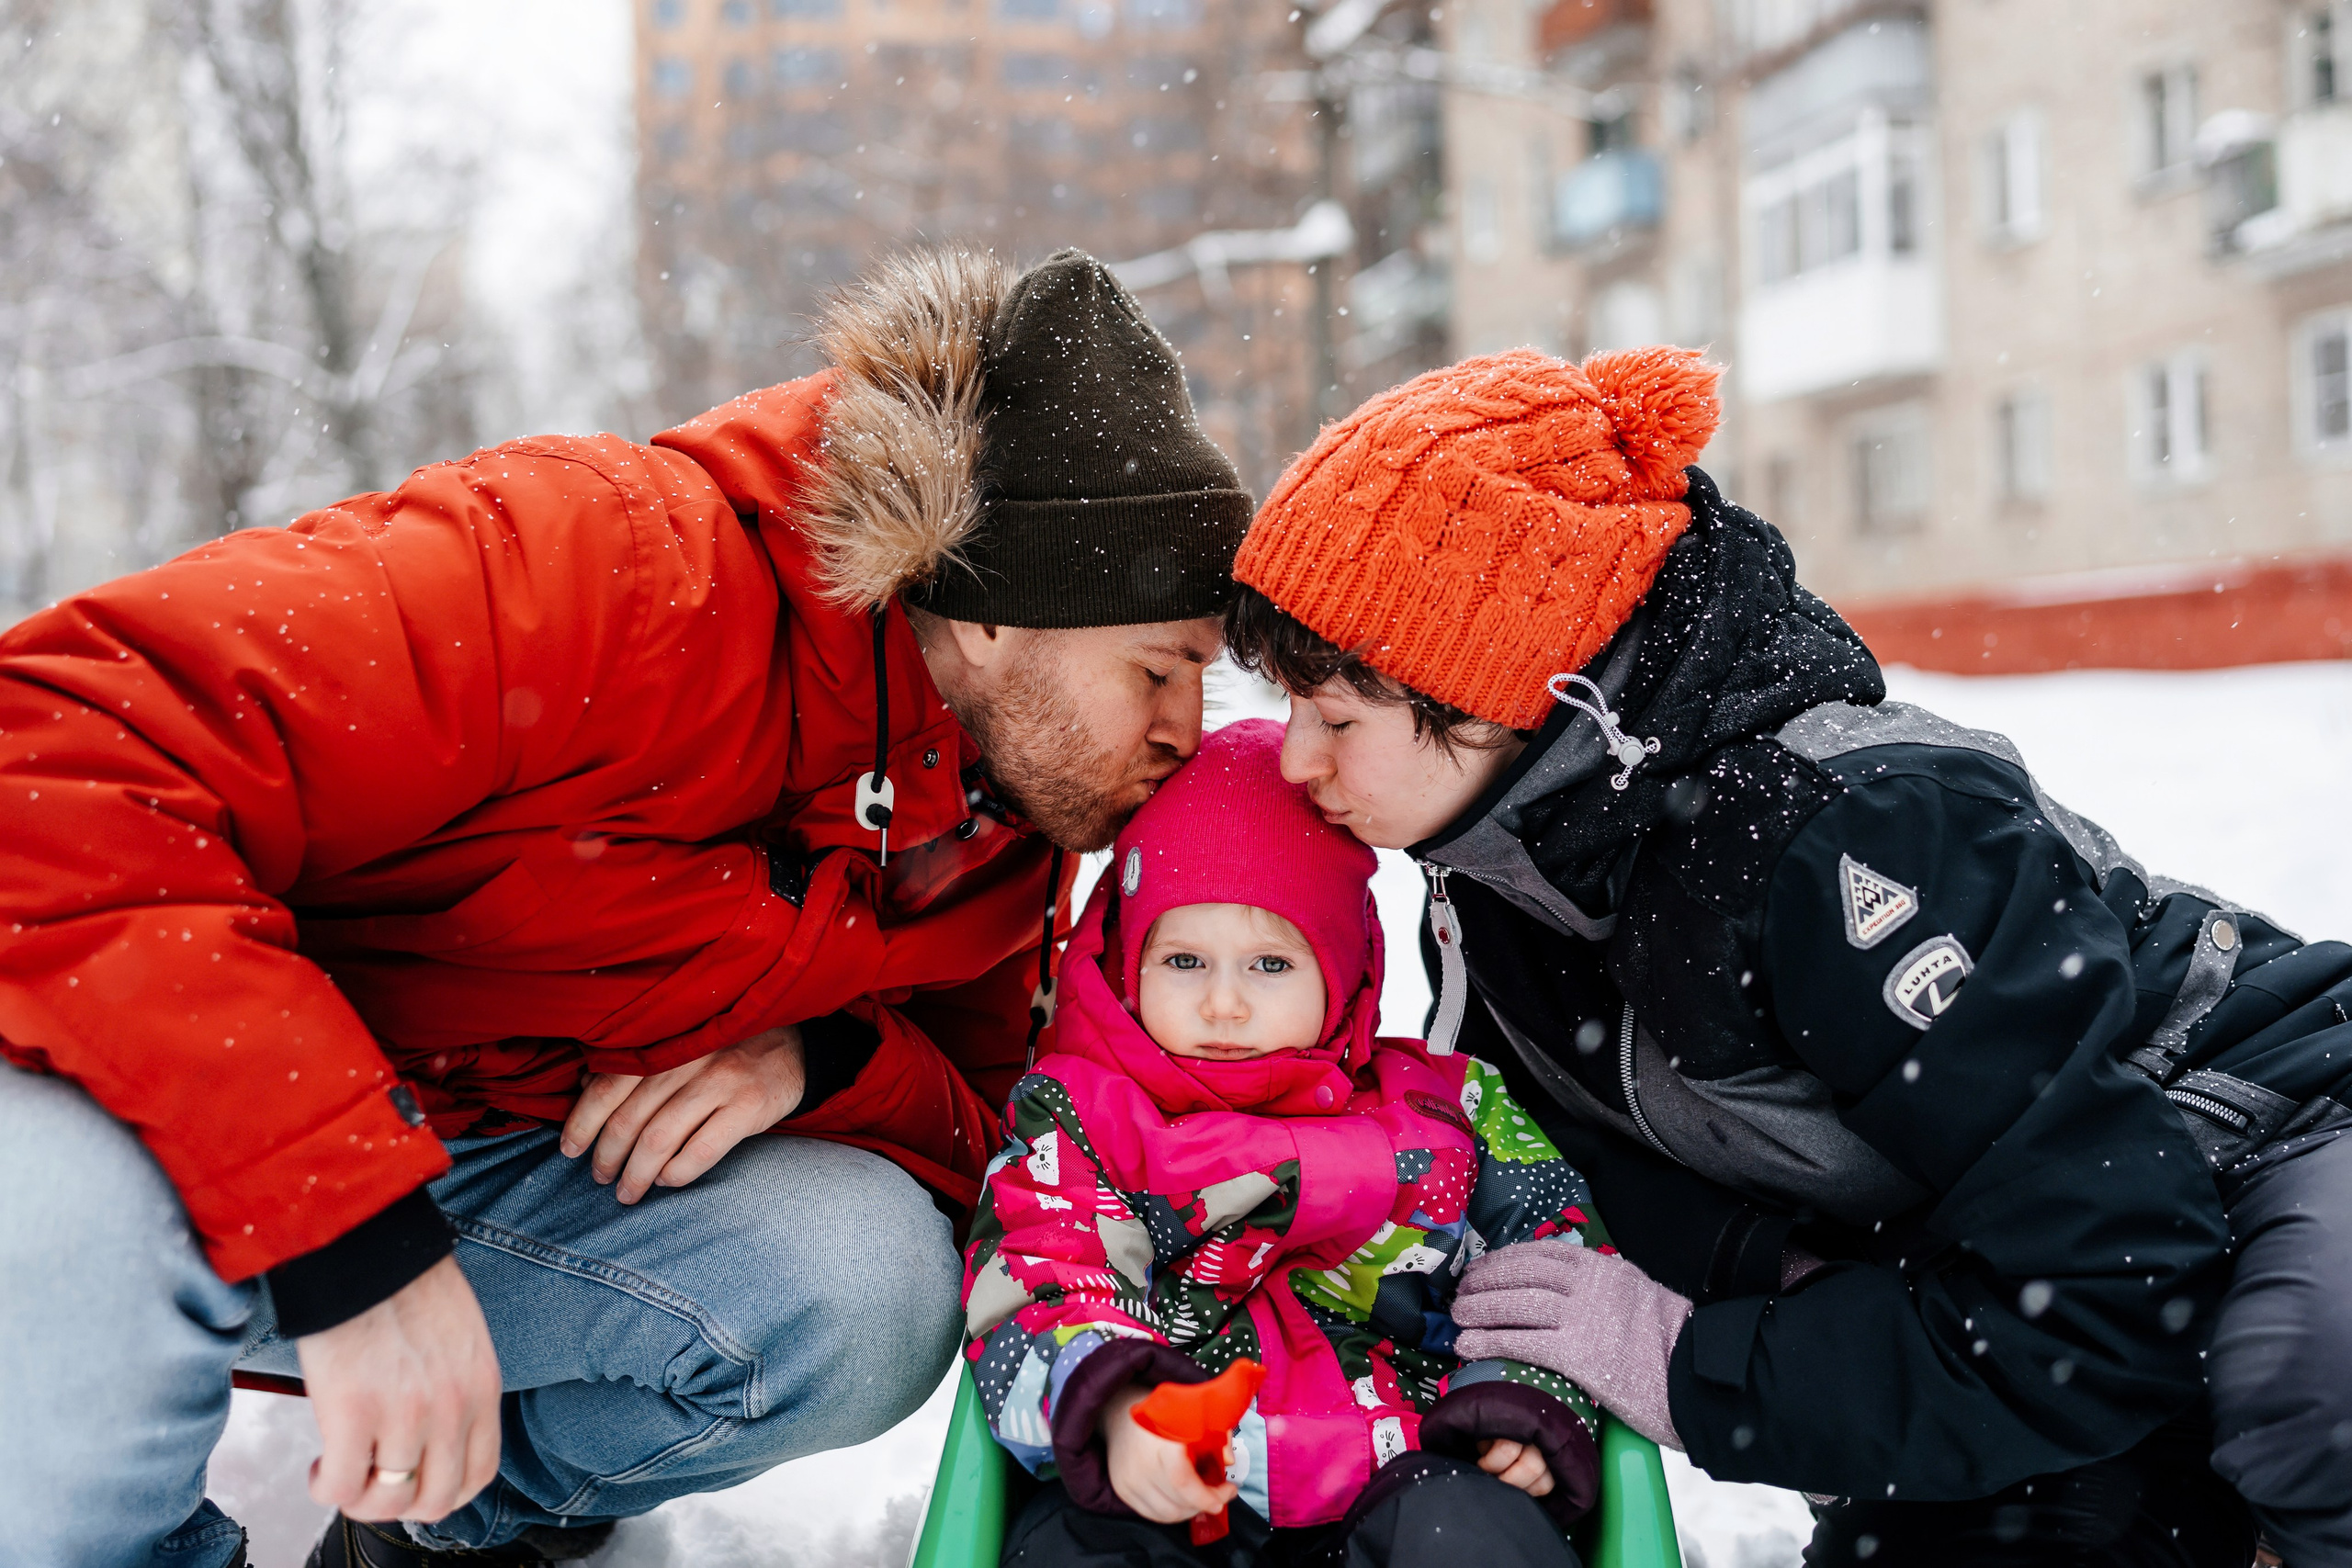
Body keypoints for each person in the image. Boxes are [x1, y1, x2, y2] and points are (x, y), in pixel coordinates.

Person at [0, 248, 1257, 1568]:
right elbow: (47, 755)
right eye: (1162, 669)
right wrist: (349, 1225)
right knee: (73, 1227)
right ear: (1002, 615)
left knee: (861, 1281)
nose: (1188, 730)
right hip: (169, 1132)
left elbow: (991, 1145)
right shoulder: (604, 563)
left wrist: (824, 1058)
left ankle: (452, 1531)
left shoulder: (1000, 811)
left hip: (488, 1179)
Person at [1219, 345, 2352, 1566]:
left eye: (1336, 714)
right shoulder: (1511, 866)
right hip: (2027, 1272)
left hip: (2272, 1124)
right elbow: (1586, 1173)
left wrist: (1692, 1364)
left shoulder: (1835, 841)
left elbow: (2108, 1274)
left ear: (1503, 693)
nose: (1296, 759)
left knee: (2306, 1392)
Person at [966, 718, 1617, 1568]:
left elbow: (1553, 1260)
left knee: (1472, 1536)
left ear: (1343, 967)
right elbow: (1043, 1258)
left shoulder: (1449, 1111)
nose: (1224, 1004)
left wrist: (1521, 1397)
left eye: (1271, 964)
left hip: (1409, 1465)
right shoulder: (1084, 1119)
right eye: (1184, 960)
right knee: (1078, 1547)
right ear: (1131, 960)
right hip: (1172, 1474)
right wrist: (1125, 1404)